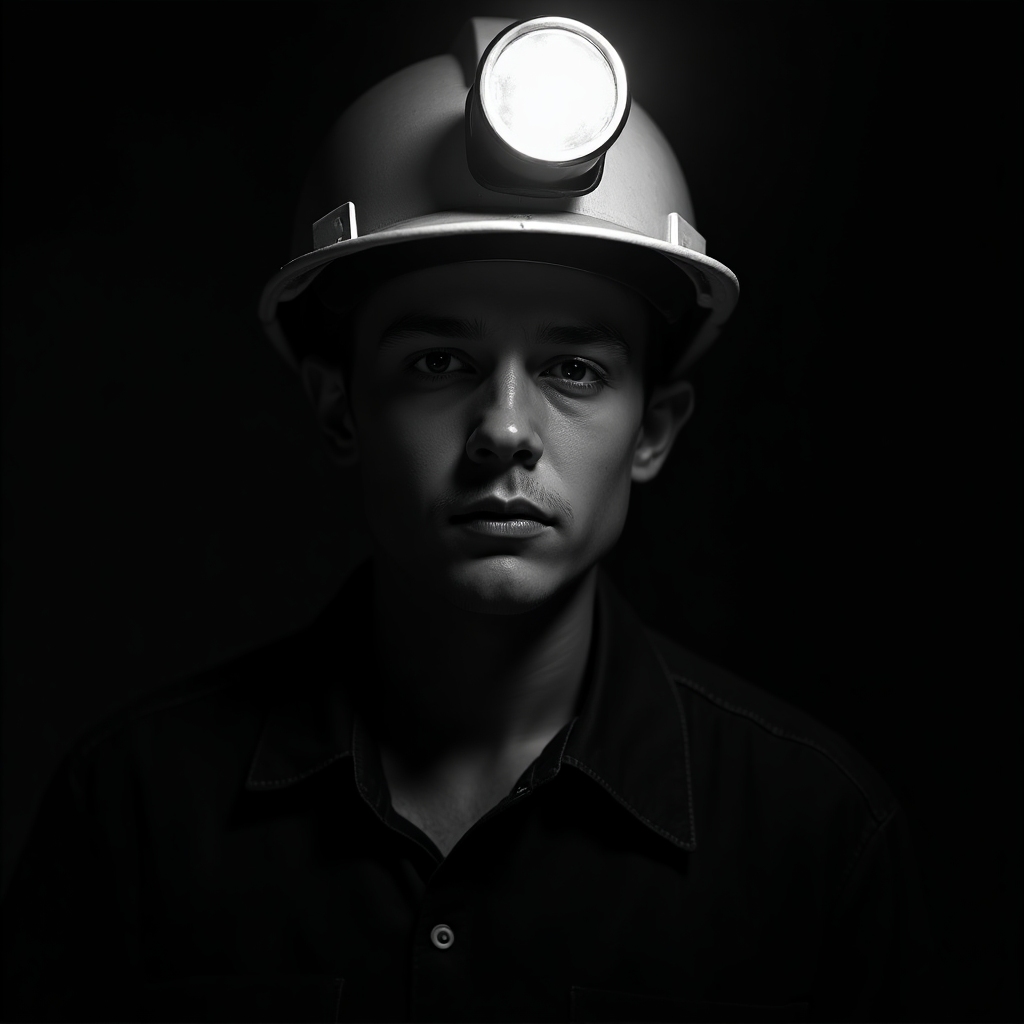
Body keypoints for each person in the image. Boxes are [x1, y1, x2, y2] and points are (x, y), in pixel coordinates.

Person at [1, 15, 936, 1023]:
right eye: (438, 363)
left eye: (571, 369)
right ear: (339, 406)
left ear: (653, 431)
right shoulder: (133, 815)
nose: (503, 428)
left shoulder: (814, 838)